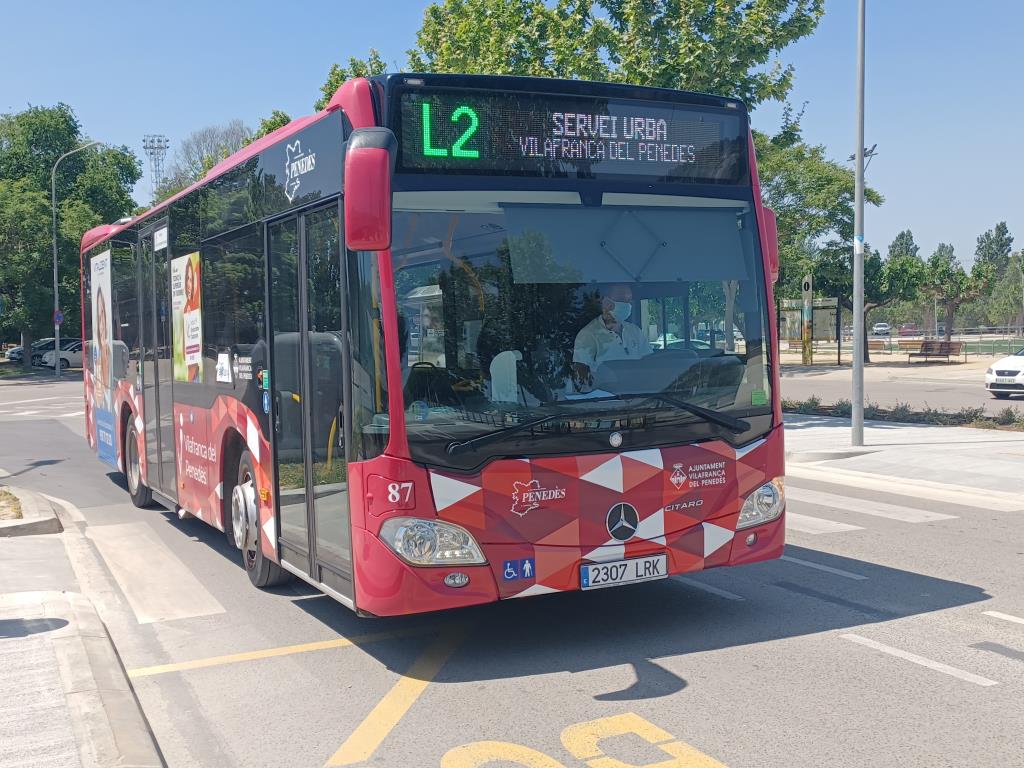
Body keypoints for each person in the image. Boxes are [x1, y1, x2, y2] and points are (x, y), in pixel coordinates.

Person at [572, 284, 650, 391]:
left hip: (642, 398)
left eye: (629, 301)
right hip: (606, 402)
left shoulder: (635, 331)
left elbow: (649, 365)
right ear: (605, 301)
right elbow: (581, 382)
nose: (627, 305)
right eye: (622, 300)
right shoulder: (587, 336)